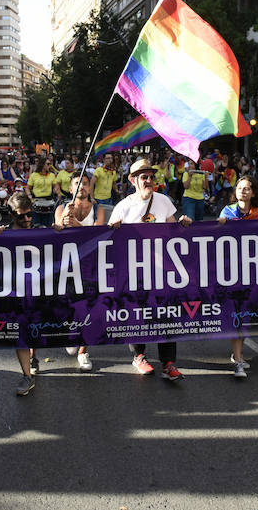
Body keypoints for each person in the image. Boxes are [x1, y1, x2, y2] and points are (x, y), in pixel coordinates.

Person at [108, 159, 192, 380]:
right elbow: (109, 239)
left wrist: (183, 225)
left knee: (167, 314)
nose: (148, 180)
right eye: (143, 177)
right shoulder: (123, 206)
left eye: (151, 176)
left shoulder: (163, 201)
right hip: (134, 272)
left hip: (163, 270)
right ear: (133, 180)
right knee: (137, 314)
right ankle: (139, 356)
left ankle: (169, 363)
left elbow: (175, 231)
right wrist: (115, 229)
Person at [53, 171, 106, 372]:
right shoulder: (61, 207)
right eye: (77, 183)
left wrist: (75, 224)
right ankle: (72, 334)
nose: (82, 186)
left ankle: (84, 351)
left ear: (90, 188)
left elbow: (97, 232)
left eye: (85, 183)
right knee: (69, 303)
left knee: (90, 306)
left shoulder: (98, 208)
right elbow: (57, 229)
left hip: (91, 264)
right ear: (71, 188)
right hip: (68, 265)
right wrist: (64, 218)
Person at [218, 175, 258, 378]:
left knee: (247, 313)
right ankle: (238, 360)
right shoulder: (227, 211)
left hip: (253, 271)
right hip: (232, 271)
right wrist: (220, 225)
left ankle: (237, 354)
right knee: (236, 312)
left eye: (247, 188)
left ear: (253, 193)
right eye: (240, 187)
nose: (243, 191)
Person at [0, 193, 41, 394]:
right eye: (22, 216)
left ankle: (32, 355)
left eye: (30, 215)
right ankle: (26, 376)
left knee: (35, 328)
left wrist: (59, 229)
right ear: (12, 215)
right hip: (15, 292)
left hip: (39, 290)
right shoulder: (4, 234)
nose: (27, 219)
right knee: (20, 331)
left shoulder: (39, 231)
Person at [26, 157, 59, 227]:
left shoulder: (52, 175)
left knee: (49, 225)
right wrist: (29, 195)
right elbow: (27, 188)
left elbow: (56, 186)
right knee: (36, 225)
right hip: (36, 201)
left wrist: (56, 190)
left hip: (49, 201)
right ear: (42, 165)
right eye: (48, 164)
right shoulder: (34, 175)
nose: (50, 165)